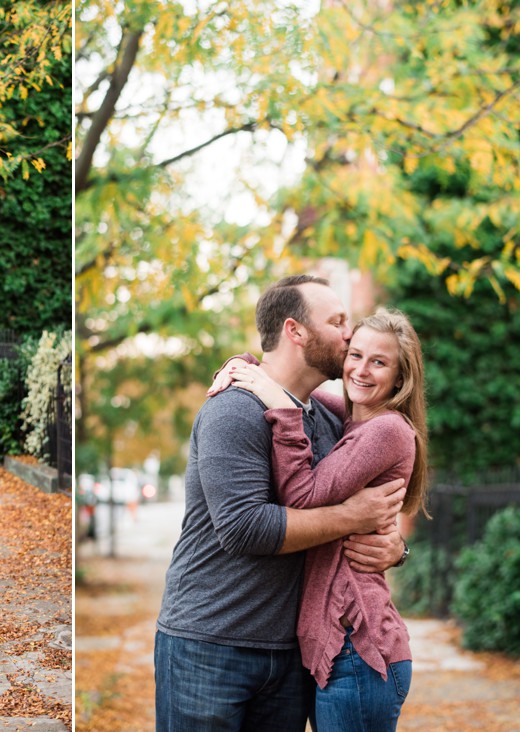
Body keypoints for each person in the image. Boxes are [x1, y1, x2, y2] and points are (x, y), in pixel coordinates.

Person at [154, 275, 408, 731]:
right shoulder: (233, 410)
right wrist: (351, 516)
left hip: (290, 656)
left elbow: (382, 453)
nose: (349, 334)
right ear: (296, 331)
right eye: (337, 322)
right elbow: (244, 528)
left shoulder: (327, 418)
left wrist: (397, 548)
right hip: (209, 645)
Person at [220, 308, 428, 731]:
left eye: (379, 362)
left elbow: (303, 495)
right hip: (340, 653)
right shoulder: (351, 418)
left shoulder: (386, 431)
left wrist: (280, 407)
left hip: (358, 647)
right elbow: (287, 384)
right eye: (356, 355)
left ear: (401, 377)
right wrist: (238, 364)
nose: (361, 370)